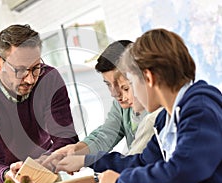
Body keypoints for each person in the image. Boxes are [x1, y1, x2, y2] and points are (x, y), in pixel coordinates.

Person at [54, 28, 222, 183]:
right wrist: (88, 160)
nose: (130, 92)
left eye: (131, 83)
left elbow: (182, 169)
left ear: (148, 78)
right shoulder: (166, 119)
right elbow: (142, 162)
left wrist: (119, 182)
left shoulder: (200, 108)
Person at [0, 24, 79, 183]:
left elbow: (65, 137)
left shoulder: (49, 80)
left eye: (36, 68)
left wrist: (49, 161)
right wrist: (5, 174)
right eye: (20, 70)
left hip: (43, 160)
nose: (30, 79)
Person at [41, 40, 161, 168]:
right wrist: (76, 149)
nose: (115, 93)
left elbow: (134, 161)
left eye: (124, 87)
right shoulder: (122, 106)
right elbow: (105, 135)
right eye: (108, 85)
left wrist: (86, 161)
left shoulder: (155, 113)